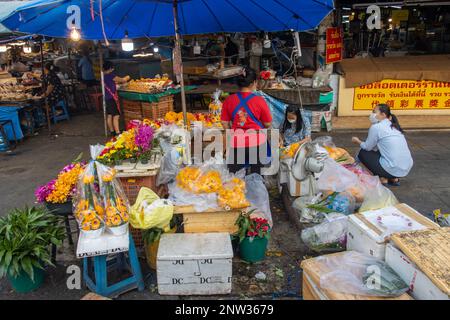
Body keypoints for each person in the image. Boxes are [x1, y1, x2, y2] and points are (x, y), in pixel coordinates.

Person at [221, 67, 272, 174]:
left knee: (234, 178)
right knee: (256, 176)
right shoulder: (259, 101)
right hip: (257, 142)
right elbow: (267, 123)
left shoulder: (229, 100)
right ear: (254, 83)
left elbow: (224, 123)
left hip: (237, 142)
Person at [352, 104, 413, 186]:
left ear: (383, 115)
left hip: (392, 168)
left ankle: (383, 177)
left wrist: (358, 141)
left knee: (362, 152)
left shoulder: (377, 127)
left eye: (374, 112)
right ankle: (394, 178)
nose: (372, 114)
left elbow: (367, 147)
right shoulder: (394, 126)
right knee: (381, 151)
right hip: (405, 169)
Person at [103, 61, 130, 136]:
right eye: (112, 68)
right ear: (111, 68)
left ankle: (112, 131)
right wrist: (127, 77)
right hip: (112, 98)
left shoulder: (103, 76)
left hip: (107, 98)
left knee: (109, 115)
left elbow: (112, 84)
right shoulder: (111, 75)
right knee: (116, 115)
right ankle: (118, 133)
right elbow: (122, 80)